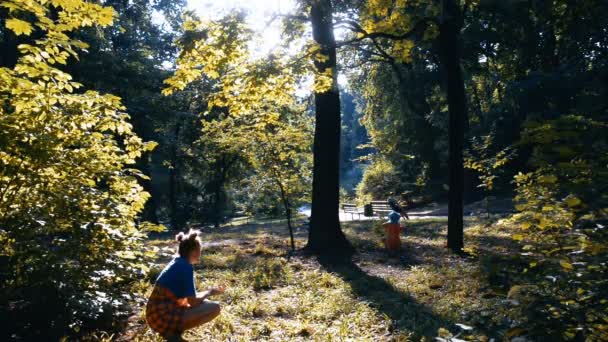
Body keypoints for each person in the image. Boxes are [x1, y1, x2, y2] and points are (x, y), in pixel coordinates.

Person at [146, 229, 224, 341]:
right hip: (161, 317)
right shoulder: (185, 267)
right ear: (194, 251)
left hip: (155, 315)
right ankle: (172, 333)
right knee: (214, 307)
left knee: (205, 302)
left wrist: (208, 292)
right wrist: (210, 292)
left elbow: (189, 299)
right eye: (199, 250)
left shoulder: (178, 262)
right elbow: (192, 301)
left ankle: (173, 332)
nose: (200, 254)